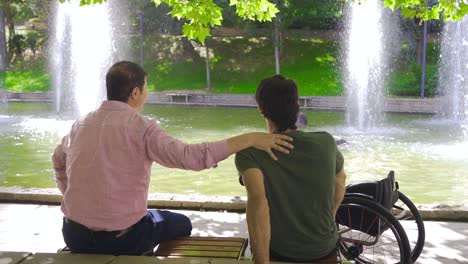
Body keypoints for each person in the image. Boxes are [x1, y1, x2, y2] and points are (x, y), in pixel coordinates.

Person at [52, 61, 293, 256]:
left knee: (153, 217)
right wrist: (249, 138)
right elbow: (191, 157)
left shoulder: (80, 125)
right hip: (124, 239)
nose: (147, 93)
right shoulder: (141, 128)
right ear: (135, 92)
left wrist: (71, 194)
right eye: (146, 88)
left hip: (74, 234)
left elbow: (58, 160)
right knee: (182, 224)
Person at [235, 75, 346, 263]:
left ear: (261, 109)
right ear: (297, 107)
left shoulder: (250, 153)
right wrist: (331, 214)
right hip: (325, 250)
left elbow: (257, 204)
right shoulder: (326, 142)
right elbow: (340, 181)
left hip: (280, 252)